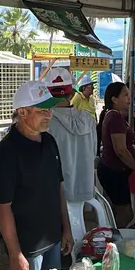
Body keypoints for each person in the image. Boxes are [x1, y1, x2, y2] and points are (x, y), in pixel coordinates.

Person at [0, 80, 73, 270]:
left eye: (50, 110)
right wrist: (15, 254)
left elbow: (58, 187)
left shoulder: (50, 142)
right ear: (22, 112)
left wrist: (66, 228)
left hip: (53, 238)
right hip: (28, 247)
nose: (49, 115)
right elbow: (3, 207)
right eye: (42, 110)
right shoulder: (7, 152)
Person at [46, 72, 98, 204]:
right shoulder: (88, 118)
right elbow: (94, 150)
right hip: (85, 188)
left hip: (57, 192)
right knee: (82, 216)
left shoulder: (46, 122)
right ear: (72, 94)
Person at [98, 82, 135, 227]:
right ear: (114, 99)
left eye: (130, 95)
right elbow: (121, 150)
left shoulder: (114, 115)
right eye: (125, 95)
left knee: (120, 211)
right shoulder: (115, 117)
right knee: (125, 213)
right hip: (114, 172)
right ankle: (115, 238)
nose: (129, 98)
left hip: (113, 170)